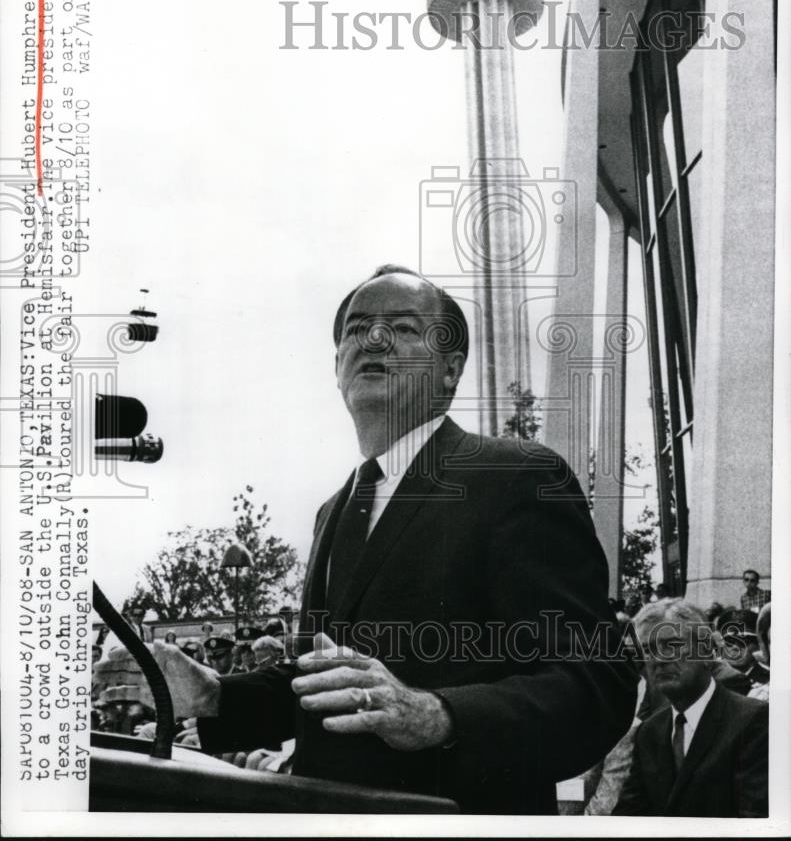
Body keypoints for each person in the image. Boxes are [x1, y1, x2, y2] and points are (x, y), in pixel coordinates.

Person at [95, 265, 636, 814]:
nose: (373, 339)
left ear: (450, 370)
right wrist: (215, 695)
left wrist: (437, 715)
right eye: (356, 329)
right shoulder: (335, 508)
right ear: (337, 369)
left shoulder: (516, 475)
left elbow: (595, 682)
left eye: (401, 328)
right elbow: (326, 684)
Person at [614, 599, 768, 817]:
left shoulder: (753, 721)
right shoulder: (649, 732)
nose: (658, 659)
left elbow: (753, 823)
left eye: (672, 645)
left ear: (706, 652)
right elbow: (627, 818)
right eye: (648, 649)